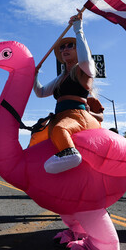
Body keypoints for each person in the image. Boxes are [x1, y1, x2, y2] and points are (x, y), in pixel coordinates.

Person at [34, 11, 100, 174]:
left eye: (71, 45)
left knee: (59, 130)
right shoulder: (60, 77)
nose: (65, 49)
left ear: (79, 49)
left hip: (77, 116)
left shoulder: (85, 68)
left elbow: (85, 59)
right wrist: (34, 76)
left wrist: (78, 29)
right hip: (60, 116)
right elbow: (40, 92)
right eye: (62, 47)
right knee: (38, 137)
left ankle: (70, 154)